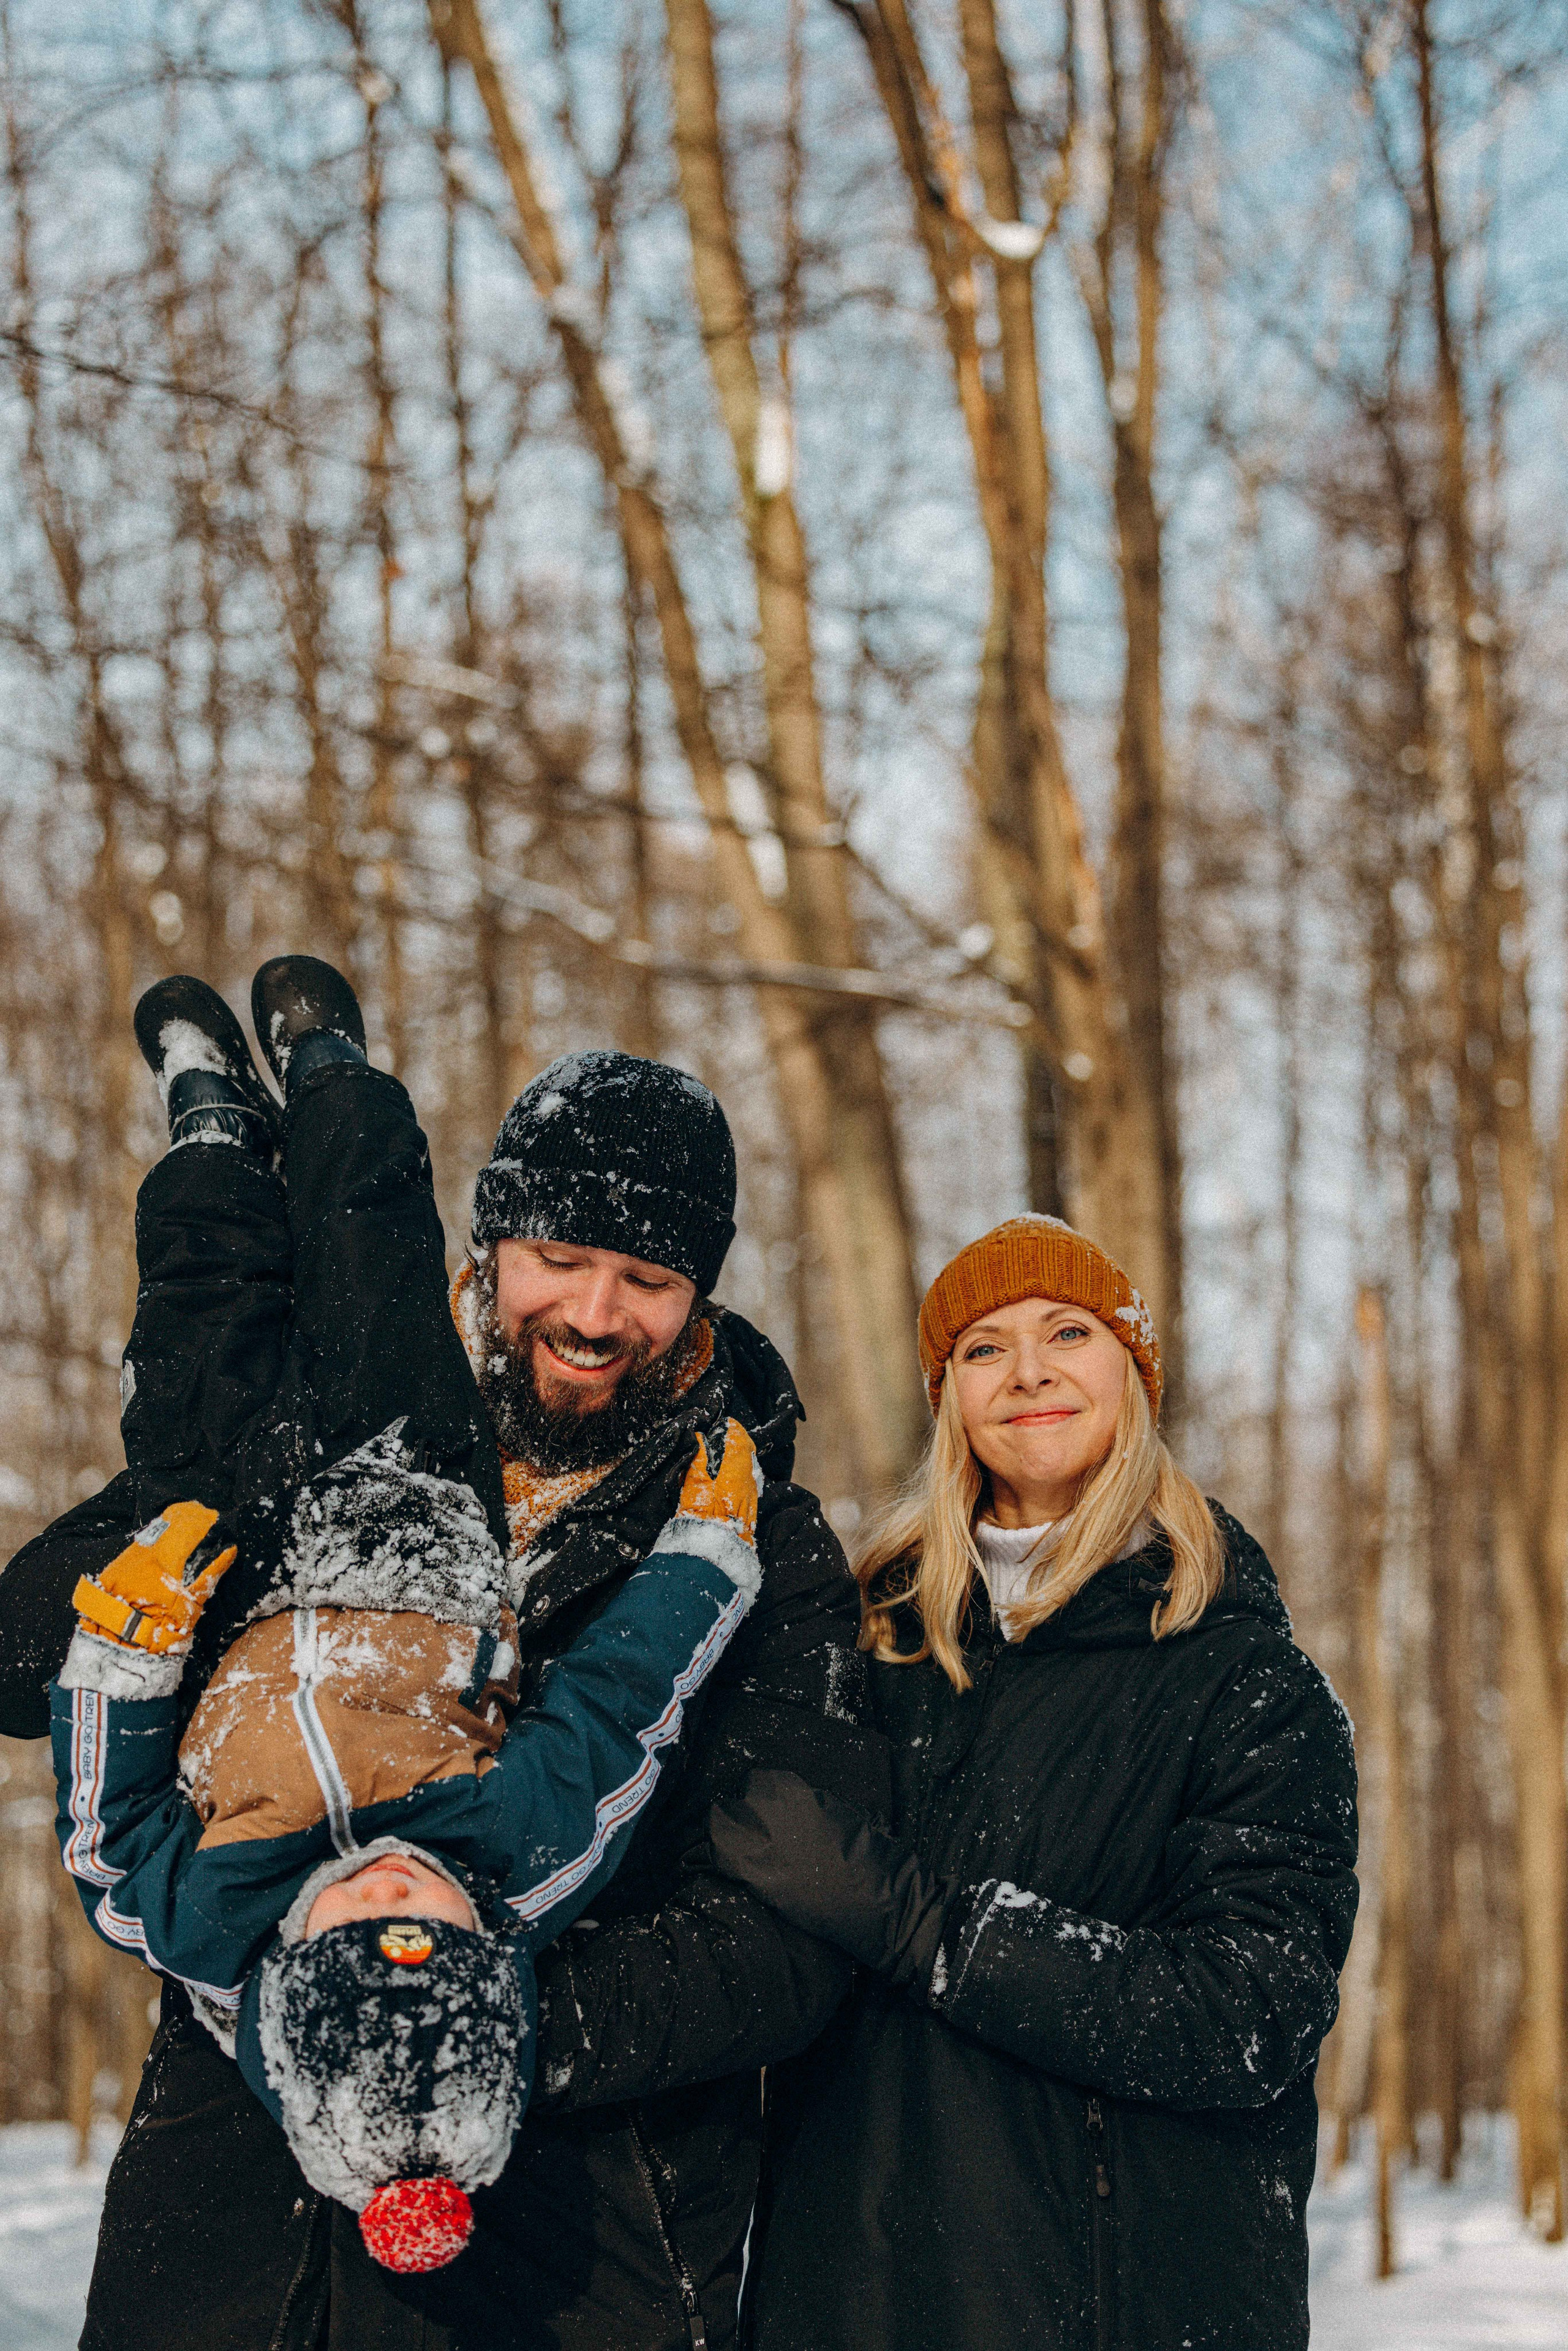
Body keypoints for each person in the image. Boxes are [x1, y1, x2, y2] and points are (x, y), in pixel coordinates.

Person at [0, 1005, 878, 2349]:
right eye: (559, 1256)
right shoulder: (347, 1415)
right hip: (227, 2227)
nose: (592, 1314)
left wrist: (465, 2013)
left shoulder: (761, 1542)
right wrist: (199, 1523)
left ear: (701, 1293)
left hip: (573, 2241)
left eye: (645, 1278)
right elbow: (24, 1660)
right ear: (488, 1246)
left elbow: (787, 1938)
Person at [709, 1213, 1359, 2351]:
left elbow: (1254, 2009)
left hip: (1123, 2307)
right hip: (855, 2292)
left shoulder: (1245, 1676)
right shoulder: (867, 1644)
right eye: (984, 1347)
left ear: (1133, 1370)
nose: (1030, 1373)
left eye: (1068, 1331)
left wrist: (932, 1931)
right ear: (949, 1393)